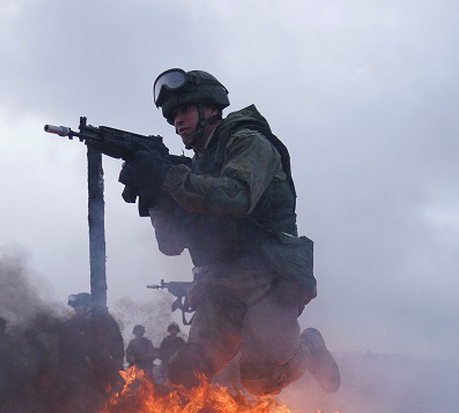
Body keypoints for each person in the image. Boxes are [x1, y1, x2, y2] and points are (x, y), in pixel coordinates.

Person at [117, 68, 340, 395]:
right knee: (187, 371)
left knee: (263, 379)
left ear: (210, 109)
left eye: (186, 110)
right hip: (218, 284)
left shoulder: (248, 142)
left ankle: (310, 348)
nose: (178, 120)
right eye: (173, 115)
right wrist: (156, 198)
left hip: (268, 280)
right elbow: (171, 245)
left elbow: (237, 197)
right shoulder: (195, 168)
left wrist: (170, 178)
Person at [57, 293, 124, 393]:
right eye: (76, 310)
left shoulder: (105, 322)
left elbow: (116, 345)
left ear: (89, 308)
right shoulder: (73, 325)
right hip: (80, 374)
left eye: (79, 310)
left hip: (103, 370)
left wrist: (116, 363)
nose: (77, 313)